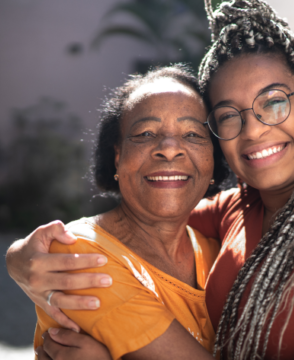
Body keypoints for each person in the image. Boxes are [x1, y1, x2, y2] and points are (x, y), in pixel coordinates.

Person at [7, 1, 294, 359]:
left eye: (273, 103)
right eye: (228, 115)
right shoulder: (235, 211)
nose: (255, 129)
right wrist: (22, 259)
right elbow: (150, 216)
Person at [30, 65, 233, 360]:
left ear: (213, 159)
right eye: (146, 133)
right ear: (117, 156)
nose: (169, 148)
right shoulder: (78, 254)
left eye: (192, 134)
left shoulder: (219, 255)